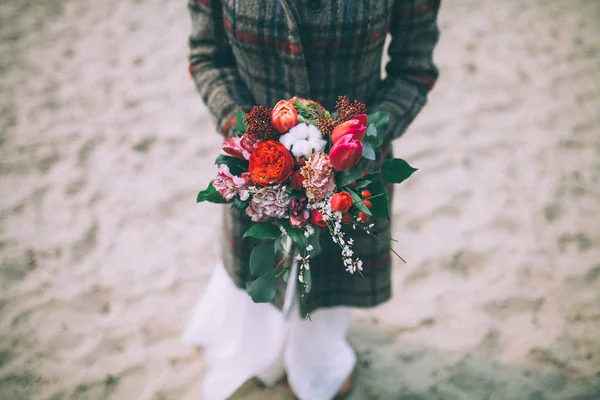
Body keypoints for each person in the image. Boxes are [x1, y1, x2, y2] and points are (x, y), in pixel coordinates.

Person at [182, 1, 440, 399]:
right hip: (259, 169)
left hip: (353, 168)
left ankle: (317, 363)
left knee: (330, 278)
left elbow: (414, 69)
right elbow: (207, 56)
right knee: (257, 270)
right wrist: (248, 135)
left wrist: (357, 141)